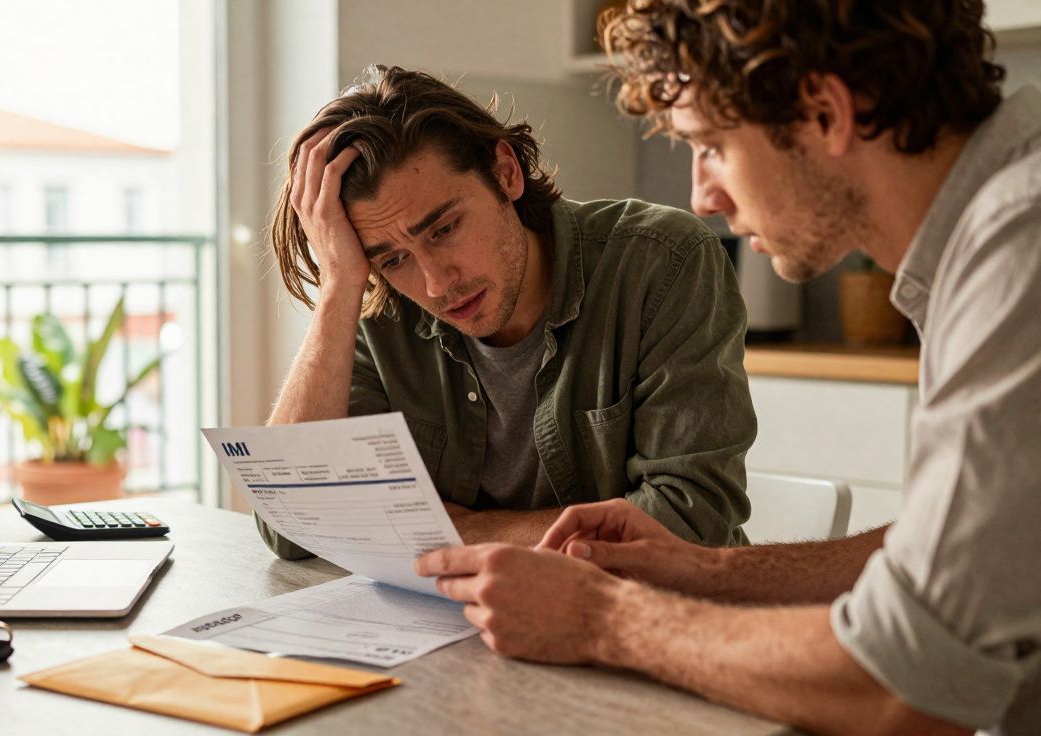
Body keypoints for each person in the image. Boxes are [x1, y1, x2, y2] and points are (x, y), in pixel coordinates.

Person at [416, 2, 1041, 735]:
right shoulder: (985, 236)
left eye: (710, 145)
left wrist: (600, 618)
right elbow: (957, 561)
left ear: (824, 112)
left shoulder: (1017, 257)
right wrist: (705, 572)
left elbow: (899, 684)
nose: (701, 196)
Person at [260, 65, 757, 560]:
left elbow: (693, 523)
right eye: (393, 258)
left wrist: (466, 532)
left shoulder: (661, 260)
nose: (436, 283)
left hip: (652, 617)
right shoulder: (384, 306)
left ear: (506, 172)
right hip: (457, 627)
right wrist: (338, 288)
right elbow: (292, 530)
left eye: (444, 229)